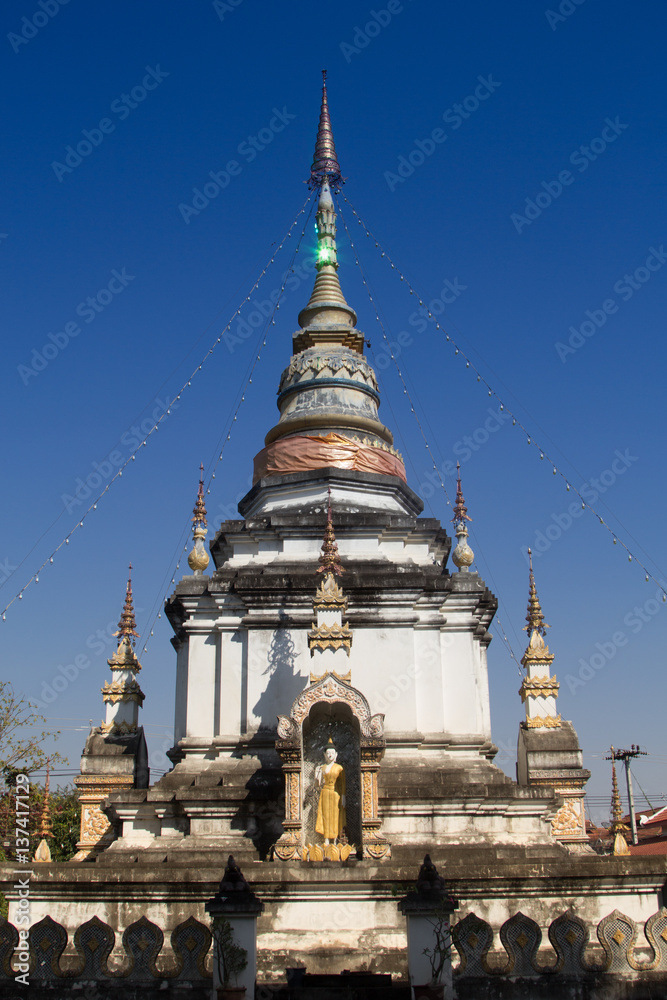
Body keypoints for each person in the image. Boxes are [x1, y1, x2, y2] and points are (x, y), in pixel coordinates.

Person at [315, 742, 346, 844]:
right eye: (328, 753)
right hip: (324, 793)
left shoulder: (339, 768)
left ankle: (334, 840)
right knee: (325, 816)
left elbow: (342, 784)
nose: (330, 755)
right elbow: (317, 784)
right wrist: (316, 775)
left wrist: (343, 797)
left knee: (334, 816)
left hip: (335, 794)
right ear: (324, 755)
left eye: (332, 753)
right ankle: (326, 839)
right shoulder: (322, 768)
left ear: (336, 754)